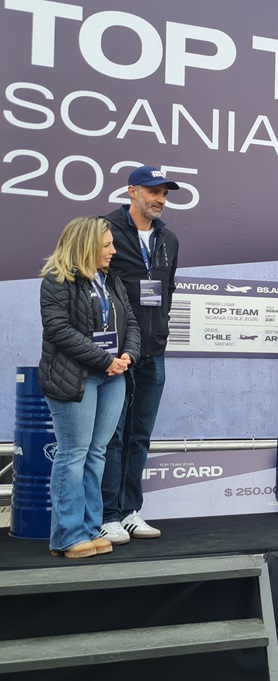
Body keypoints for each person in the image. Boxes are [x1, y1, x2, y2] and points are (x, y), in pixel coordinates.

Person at [39, 217, 141, 559]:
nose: (113, 251)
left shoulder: (110, 279)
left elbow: (131, 322)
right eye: (106, 245)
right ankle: (67, 536)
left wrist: (127, 354)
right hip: (74, 377)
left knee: (97, 453)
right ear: (86, 245)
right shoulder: (57, 279)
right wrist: (104, 360)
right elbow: (58, 330)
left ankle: (89, 529)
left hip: (113, 376)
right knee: (73, 454)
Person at [100, 166, 180, 543]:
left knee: (139, 436)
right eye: (153, 192)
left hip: (153, 353)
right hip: (116, 354)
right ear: (132, 191)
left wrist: (160, 331)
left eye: (164, 193)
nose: (160, 200)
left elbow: (167, 290)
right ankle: (106, 515)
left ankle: (130, 510)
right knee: (112, 436)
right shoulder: (105, 229)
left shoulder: (169, 239)